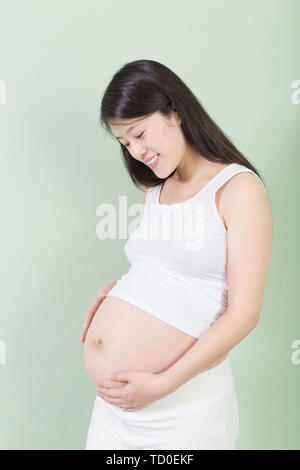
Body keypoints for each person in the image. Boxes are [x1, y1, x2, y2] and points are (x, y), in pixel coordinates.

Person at [82, 59, 273, 450]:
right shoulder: (153, 191)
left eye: (139, 133)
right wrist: (119, 293)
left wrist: (160, 384)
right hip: (115, 413)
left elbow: (244, 314)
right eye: (125, 143)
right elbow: (165, 270)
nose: (136, 151)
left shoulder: (237, 189)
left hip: (183, 407)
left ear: (175, 111)